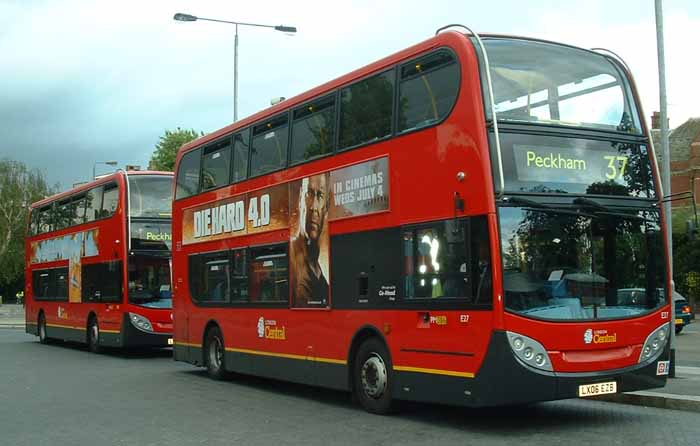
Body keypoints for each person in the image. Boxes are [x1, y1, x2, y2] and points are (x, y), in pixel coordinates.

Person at [291, 174, 329, 307]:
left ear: (325, 210)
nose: (314, 207)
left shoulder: (318, 268)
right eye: (309, 194)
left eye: (320, 196)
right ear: (300, 199)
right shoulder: (291, 253)